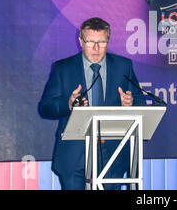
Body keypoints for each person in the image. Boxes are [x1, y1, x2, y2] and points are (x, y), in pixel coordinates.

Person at [39, 17, 146, 190]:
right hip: (75, 155)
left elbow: (140, 101)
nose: (96, 48)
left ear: (108, 41)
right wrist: (68, 103)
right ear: (80, 41)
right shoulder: (63, 68)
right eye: (90, 42)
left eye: (101, 42)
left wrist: (131, 103)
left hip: (112, 154)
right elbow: (46, 107)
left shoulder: (123, 66)